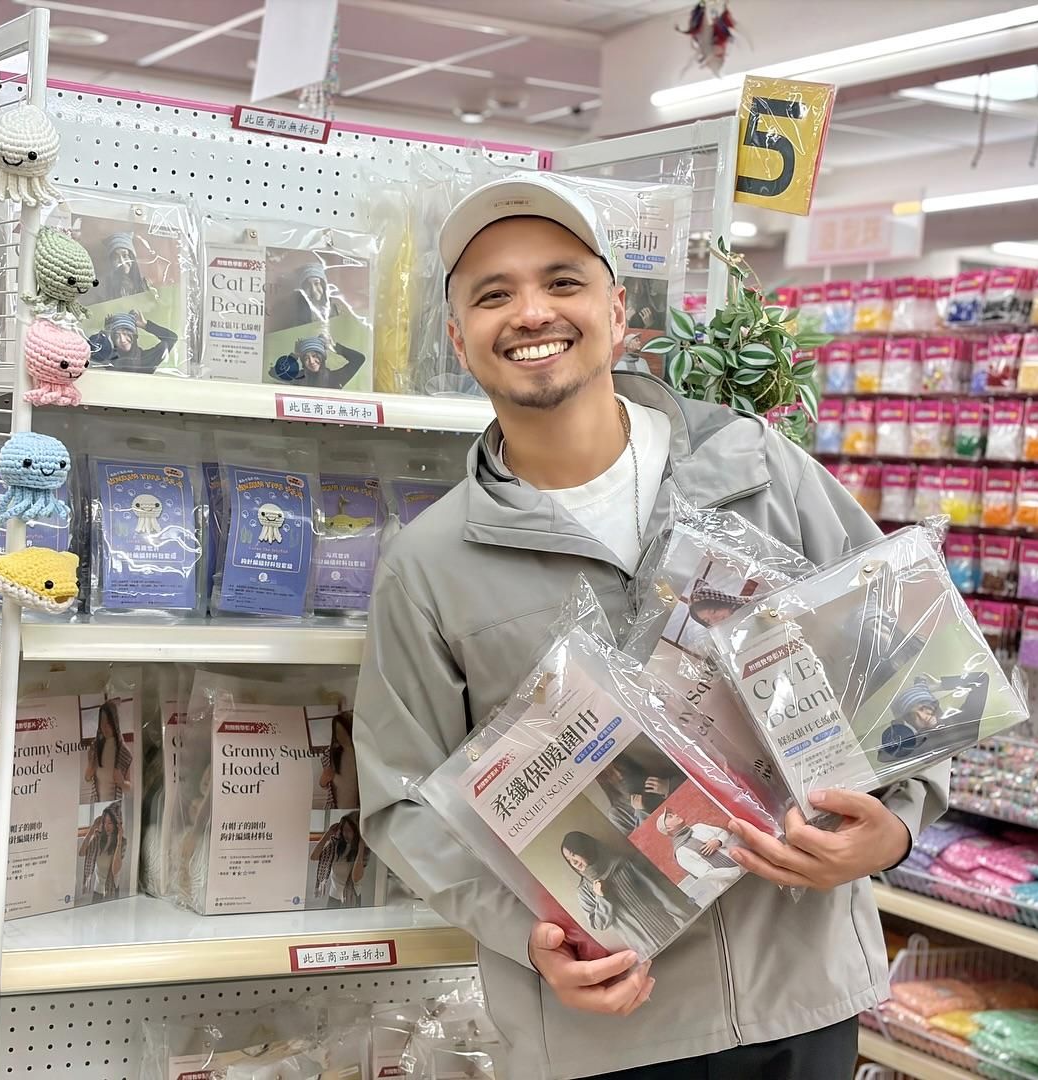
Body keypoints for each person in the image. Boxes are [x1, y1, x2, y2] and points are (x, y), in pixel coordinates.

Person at [353, 171, 949, 1079]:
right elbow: (402, 804)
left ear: (617, 309)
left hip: (803, 1000)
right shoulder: (429, 564)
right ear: (457, 337)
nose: (532, 312)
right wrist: (531, 938)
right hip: (608, 1036)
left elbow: (903, 648)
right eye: (493, 294)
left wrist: (896, 828)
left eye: (562, 281)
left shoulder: (758, 472)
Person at [560, 832, 696, 960]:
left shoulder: (624, 865)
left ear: (586, 848)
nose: (573, 862)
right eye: (568, 859)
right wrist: (601, 897)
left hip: (668, 928)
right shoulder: (584, 892)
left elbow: (659, 893)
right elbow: (599, 924)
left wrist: (683, 920)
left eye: (574, 854)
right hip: (645, 948)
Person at [877, 672, 991, 764]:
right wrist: (899, 725)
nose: (922, 717)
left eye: (923, 708)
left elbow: (981, 678)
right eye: (913, 716)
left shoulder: (963, 720)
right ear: (910, 722)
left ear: (933, 705)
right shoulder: (920, 744)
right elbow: (883, 757)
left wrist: (940, 685)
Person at [655, 810, 743, 907]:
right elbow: (706, 874)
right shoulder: (681, 852)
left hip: (744, 860)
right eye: (670, 816)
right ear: (669, 828)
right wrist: (738, 871)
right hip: (733, 884)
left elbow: (723, 833)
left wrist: (718, 841)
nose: (676, 815)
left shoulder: (698, 827)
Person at [88, 310, 178, 373]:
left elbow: (172, 338)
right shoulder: (109, 359)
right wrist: (106, 333)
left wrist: (145, 325)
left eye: (126, 334)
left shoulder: (146, 359)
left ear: (135, 335)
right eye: (116, 336)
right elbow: (92, 352)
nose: (122, 340)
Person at [310, 812, 367, 909]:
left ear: (356, 831)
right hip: (334, 898)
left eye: (349, 830)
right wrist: (328, 834)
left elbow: (356, 878)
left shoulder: (362, 851)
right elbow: (314, 856)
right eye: (343, 830)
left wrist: (361, 848)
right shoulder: (336, 846)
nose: (345, 834)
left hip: (351, 899)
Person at [270, 333, 367, 389]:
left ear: (322, 357)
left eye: (314, 356)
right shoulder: (298, 377)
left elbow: (359, 359)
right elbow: (274, 373)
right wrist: (295, 355)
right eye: (306, 358)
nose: (311, 361)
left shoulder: (335, 378)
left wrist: (334, 347)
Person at [84, 699, 132, 803]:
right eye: (102, 722)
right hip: (96, 805)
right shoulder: (95, 748)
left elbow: (130, 788)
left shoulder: (124, 752)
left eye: (108, 723)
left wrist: (122, 783)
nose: (104, 727)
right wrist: (91, 766)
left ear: (115, 722)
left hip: (116, 808)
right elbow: (87, 778)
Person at [79, 805, 126, 901]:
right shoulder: (98, 838)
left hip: (112, 890)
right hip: (97, 889)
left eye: (110, 823)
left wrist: (119, 840)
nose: (106, 826)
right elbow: (81, 852)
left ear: (116, 824)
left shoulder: (122, 842)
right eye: (104, 822)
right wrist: (92, 829)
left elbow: (115, 870)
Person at [318, 712, 360, 810]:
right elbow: (324, 785)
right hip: (335, 809)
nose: (341, 736)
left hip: (358, 809)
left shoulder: (362, 753)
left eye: (343, 731)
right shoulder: (328, 754)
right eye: (337, 732)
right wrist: (323, 780)